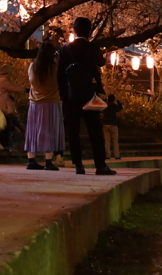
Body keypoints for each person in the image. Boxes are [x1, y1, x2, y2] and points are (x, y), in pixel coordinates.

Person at [57, 17, 116, 176]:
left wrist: (64, 95)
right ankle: (100, 165)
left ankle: (78, 165)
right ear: (89, 31)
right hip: (90, 95)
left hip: (70, 97)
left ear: (74, 30)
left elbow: (60, 75)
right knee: (95, 131)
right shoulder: (92, 48)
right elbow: (102, 63)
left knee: (73, 131)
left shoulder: (65, 49)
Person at [24, 41, 64, 171]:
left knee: (33, 131)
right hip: (51, 102)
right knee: (49, 131)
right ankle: (48, 161)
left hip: (35, 103)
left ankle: (31, 160)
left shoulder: (32, 67)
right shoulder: (55, 68)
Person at [0, 64, 27, 149]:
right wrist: (26, 90)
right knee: (12, 125)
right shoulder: (3, 81)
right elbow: (14, 88)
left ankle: (12, 145)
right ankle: (11, 146)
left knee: (12, 125)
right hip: (3, 107)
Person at [102, 93, 124, 160]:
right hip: (113, 125)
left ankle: (107, 155)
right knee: (115, 141)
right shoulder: (114, 106)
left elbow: (101, 104)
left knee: (107, 141)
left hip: (105, 124)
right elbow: (120, 108)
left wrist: (105, 100)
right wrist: (118, 101)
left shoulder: (105, 105)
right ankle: (116, 155)